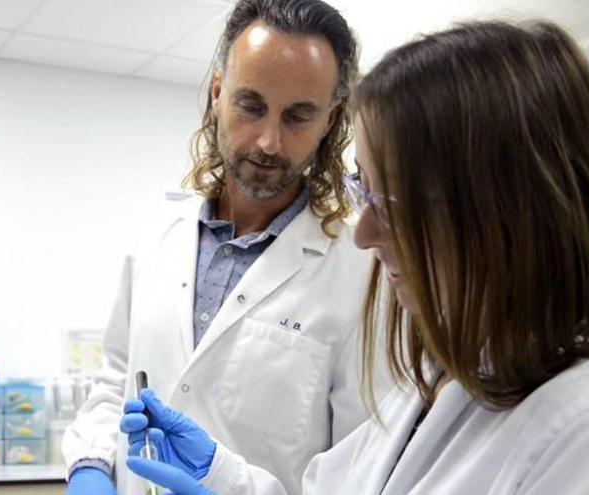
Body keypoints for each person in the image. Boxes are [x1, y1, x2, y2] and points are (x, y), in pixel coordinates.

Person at [120, 20, 589, 494]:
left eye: (396, 202)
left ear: (504, 209)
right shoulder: (440, 380)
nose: (364, 235)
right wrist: (220, 474)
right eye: (366, 191)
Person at [62, 1, 378, 494]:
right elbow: (115, 382)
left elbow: (362, 475)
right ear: (217, 95)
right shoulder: (157, 238)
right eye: (251, 106)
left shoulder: (364, 272)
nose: (269, 142)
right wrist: (90, 468)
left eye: (298, 116)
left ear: (330, 120)